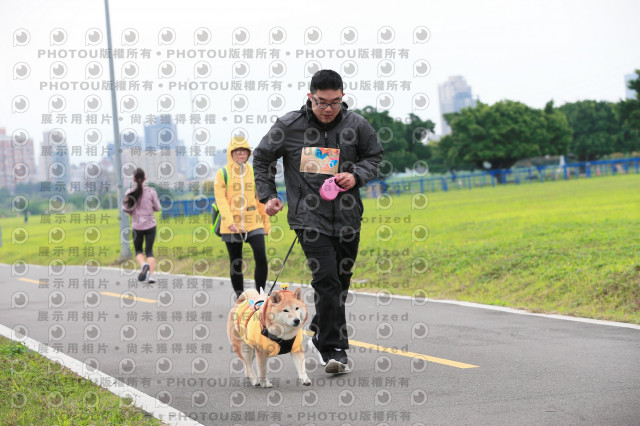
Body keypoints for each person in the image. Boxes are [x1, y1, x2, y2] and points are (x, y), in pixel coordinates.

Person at [253, 69, 383, 374]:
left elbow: (374, 157)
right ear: (310, 97)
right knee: (327, 280)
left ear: (343, 97)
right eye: (322, 102)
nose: (328, 109)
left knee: (340, 282)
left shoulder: (356, 125)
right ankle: (334, 350)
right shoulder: (289, 126)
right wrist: (268, 195)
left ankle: (321, 329)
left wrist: (356, 175)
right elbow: (261, 158)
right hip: (308, 218)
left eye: (335, 102)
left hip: (348, 216)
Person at [214, 137, 271, 298]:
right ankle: (241, 299)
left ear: (248, 153)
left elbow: (260, 199)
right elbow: (221, 200)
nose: (241, 153)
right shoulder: (222, 173)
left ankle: (260, 297)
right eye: (237, 150)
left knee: (261, 256)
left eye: (244, 150)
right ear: (231, 153)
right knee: (236, 262)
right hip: (230, 225)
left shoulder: (253, 171)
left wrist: (265, 223)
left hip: (254, 222)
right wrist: (229, 222)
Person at [122, 168, 160, 284]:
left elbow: (125, 208)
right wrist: (149, 209)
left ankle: (143, 264)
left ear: (133, 179)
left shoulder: (129, 192)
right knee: (149, 251)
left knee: (138, 250)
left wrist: (133, 213)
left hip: (137, 225)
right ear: (145, 178)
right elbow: (158, 208)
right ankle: (151, 276)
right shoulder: (151, 191)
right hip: (150, 224)